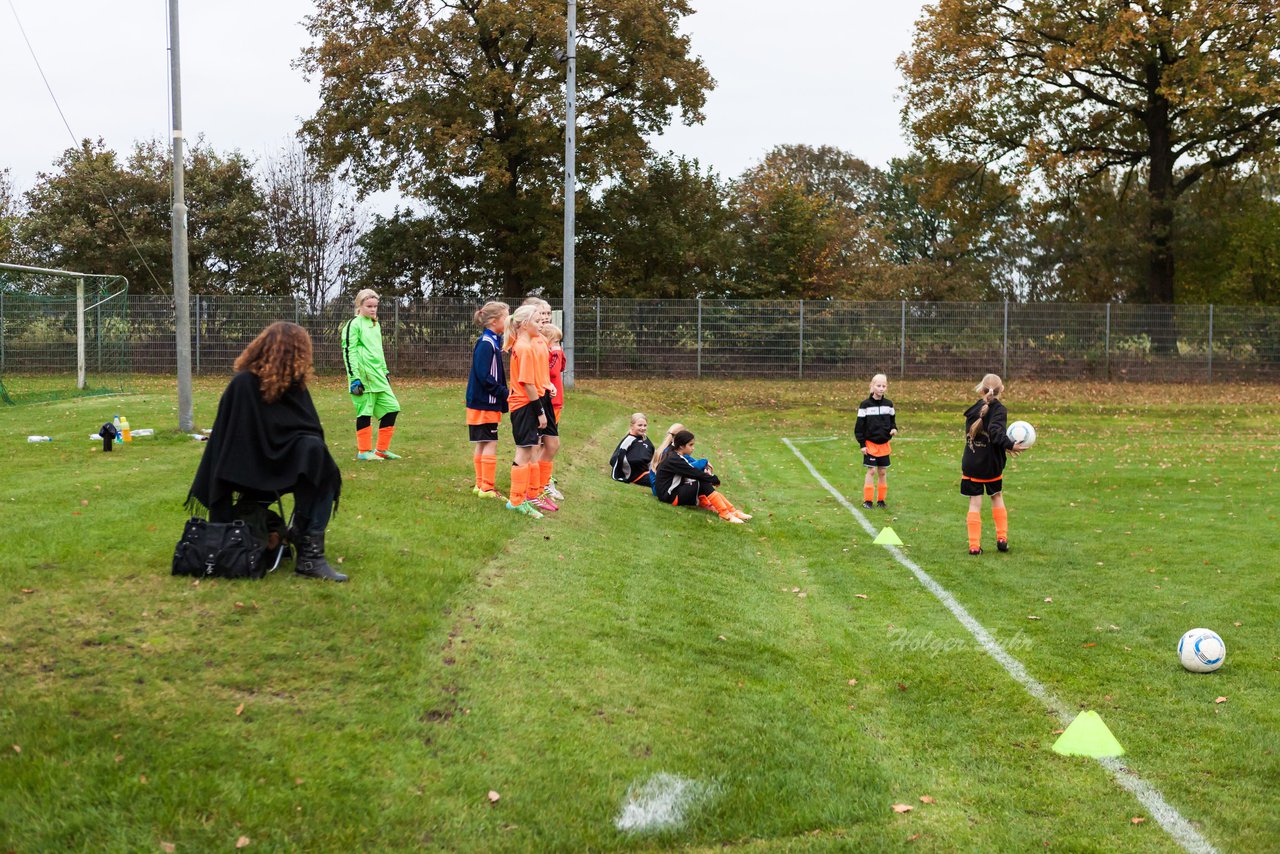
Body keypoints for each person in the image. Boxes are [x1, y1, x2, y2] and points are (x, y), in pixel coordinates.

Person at [186, 322, 347, 582]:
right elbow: (230, 439)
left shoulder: (295, 388)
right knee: (314, 458)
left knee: (319, 462)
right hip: (247, 470)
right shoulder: (243, 385)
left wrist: (300, 450)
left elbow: (310, 430)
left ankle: (308, 551)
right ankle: (304, 548)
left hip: (282, 466)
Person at [961, 373, 1028, 555]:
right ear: (1002, 390)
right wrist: (1010, 445)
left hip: (972, 462)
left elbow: (983, 433)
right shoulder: (999, 410)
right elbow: (996, 432)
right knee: (996, 497)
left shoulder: (974, 408)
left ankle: (974, 546)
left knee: (975, 503)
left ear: (981, 389)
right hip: (991, 465)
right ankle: (1002, 538)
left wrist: (1001, 445)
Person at [340, 288, 401, 461]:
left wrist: (385, 370)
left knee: (392, 407)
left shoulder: (375, 324)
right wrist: (354, 378)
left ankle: (381, 450)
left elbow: (378, 351)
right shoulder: (353, 324)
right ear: (359, 306)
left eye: (375, 306)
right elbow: (348, 351)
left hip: (378, 376)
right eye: (369, 306)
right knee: (364, 412)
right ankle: (364, 451)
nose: (373, 309)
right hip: (363, 377)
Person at [503, 304, 549, 518]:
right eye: (536, 319)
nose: (540, 323)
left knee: (530, 450)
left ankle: (521, 498)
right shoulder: (525, 347)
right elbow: (527, 383)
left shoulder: (522, 345)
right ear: (523, 324)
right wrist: (539, 411)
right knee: (524, 451)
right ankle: (516, 500)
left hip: (524, 404)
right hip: (524, 405)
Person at [652, 428, 751, 523]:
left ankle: (733, 511)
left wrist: (707, 473)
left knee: (701, 481)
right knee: (702, 482)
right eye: (690, 445)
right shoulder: (675, 459)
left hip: (671, 494)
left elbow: (691, 471)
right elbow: (694, 473)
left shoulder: (676, 456)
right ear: (681, 446)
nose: (693, 448)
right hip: (670, 497)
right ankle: (725, 514)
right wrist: (713, 479)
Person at [465, 301, 509, 499]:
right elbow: (484, 376)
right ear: (493, 321)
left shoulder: (493, 340)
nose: (509, 320)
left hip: (482, 402)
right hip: (485, 402)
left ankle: (480, 485)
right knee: (489, 442)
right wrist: (503, 392)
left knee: (482, 442)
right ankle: (487, 488)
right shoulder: (486, 343)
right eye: (506, 317)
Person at [855, 373, 898, 509]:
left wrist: (893, 429)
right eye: (878, 386)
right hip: (870, 444)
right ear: (872, 387)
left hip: (884, 445)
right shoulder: (865, 405)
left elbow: (892, 422)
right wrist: (862, 444)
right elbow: (859, 427)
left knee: (882, 472)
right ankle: (868, 501)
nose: (881, 388)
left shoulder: (889, 405)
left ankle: (881, 500)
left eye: (883, 386)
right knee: (872, 471)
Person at [610, 413, 655, 485]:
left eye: (645, 425)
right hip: (636, 476)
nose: (643, 428)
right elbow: (616, 459)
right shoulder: (628, 440)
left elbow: (652, 455)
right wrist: (619, 476)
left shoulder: (645, 438)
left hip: (648, 472)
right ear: (632, 426)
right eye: (640, 425)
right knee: (663, 481)